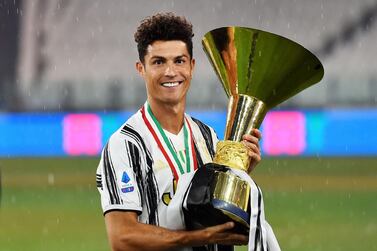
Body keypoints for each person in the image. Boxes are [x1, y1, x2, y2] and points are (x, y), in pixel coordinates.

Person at [96, 12, 262, 251]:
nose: (171, 72)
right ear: (141, 68)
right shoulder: (125, 145)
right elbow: (122, 237)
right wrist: (199, 237)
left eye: (179, 61)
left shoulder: (208, 137)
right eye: (158, 62)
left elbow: (217, 211)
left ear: (192, 67)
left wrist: (241, 174)